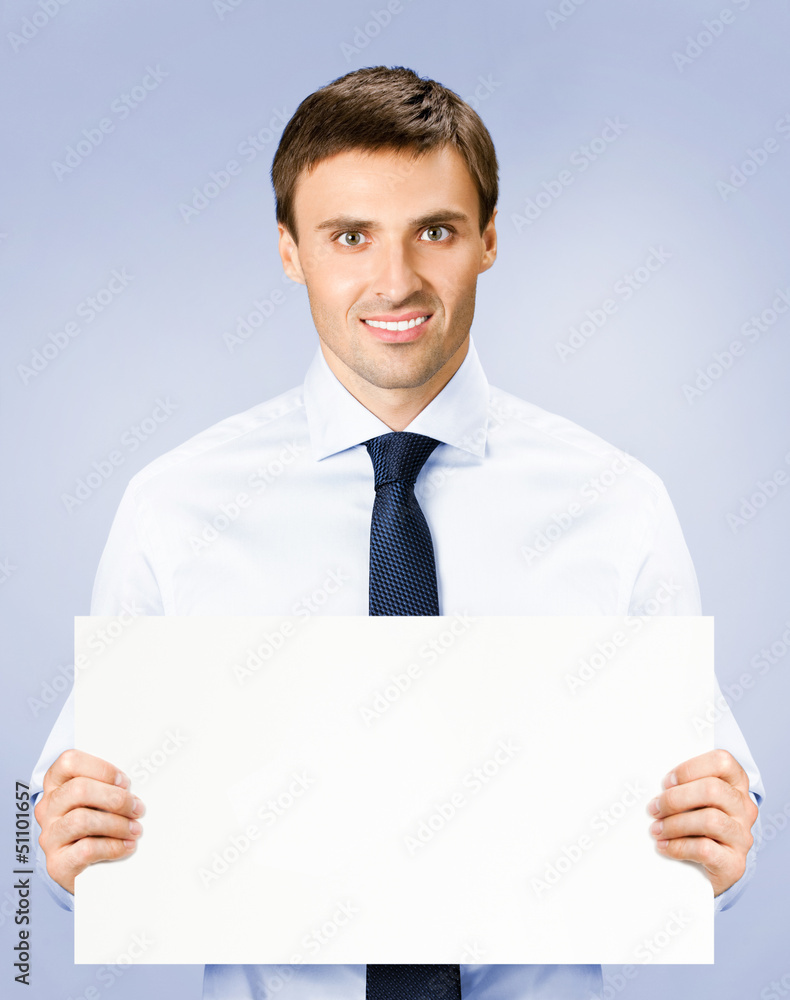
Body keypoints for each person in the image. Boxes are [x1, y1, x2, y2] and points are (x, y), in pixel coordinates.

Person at [31, 65, 763, 1000]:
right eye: (349, 236)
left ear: (488, 240)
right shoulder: (173, 505)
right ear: (291, 251)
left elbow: (714, 815)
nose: (396, 280)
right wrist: (52, 859)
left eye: (436, 231)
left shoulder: (616, 501)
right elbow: (55, 828)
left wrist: (725, 844)